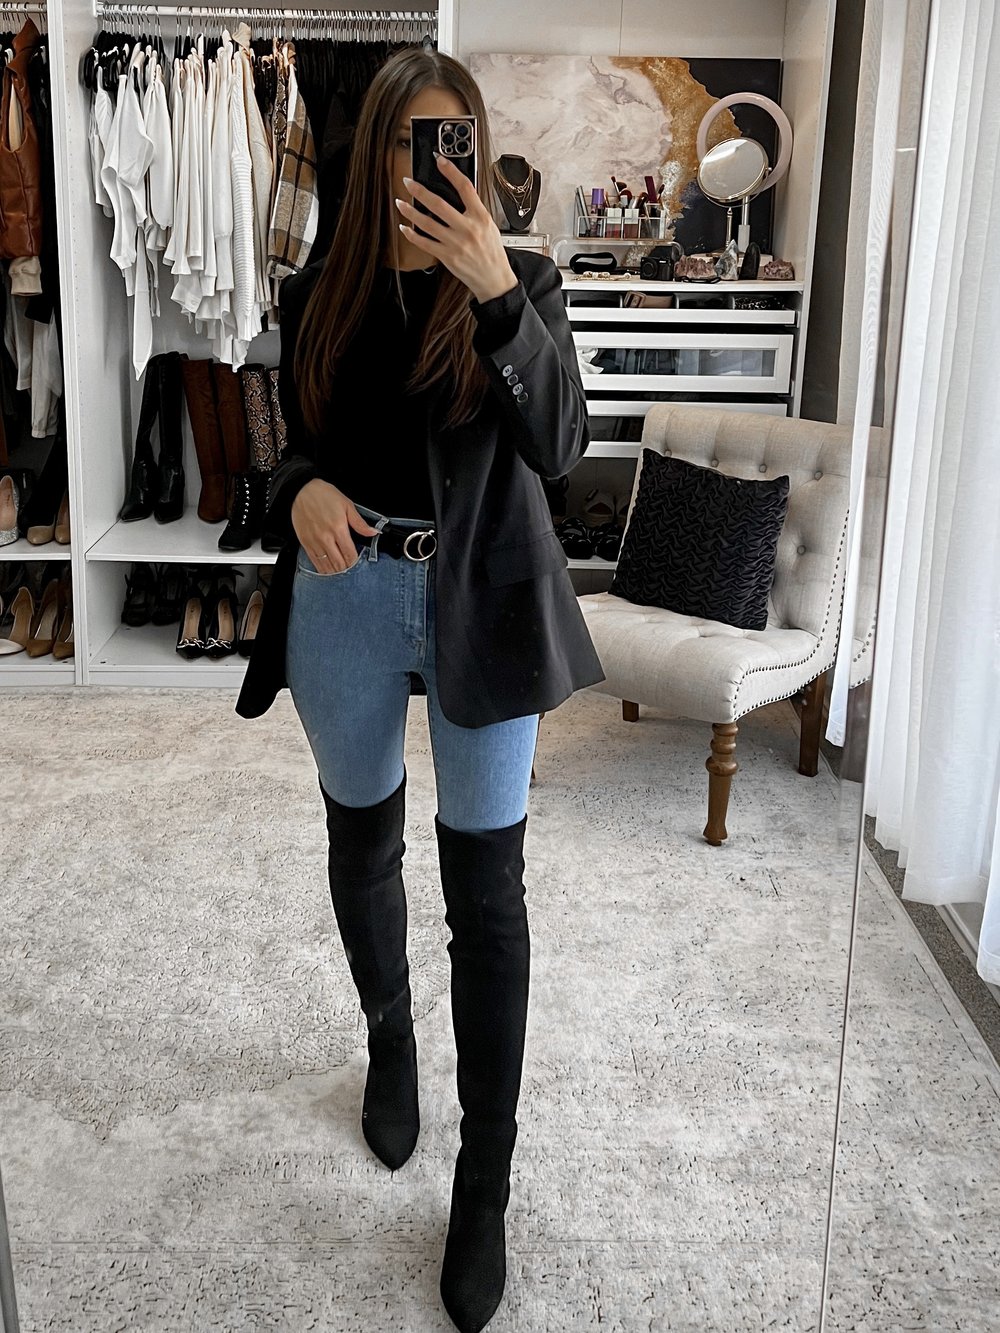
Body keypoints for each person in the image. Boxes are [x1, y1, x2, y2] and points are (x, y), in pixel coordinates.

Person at [235, 45, 605, 1333]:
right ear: (368, 155)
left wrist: (496, 292)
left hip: (482, 596)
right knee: (362, 839)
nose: (422, 168)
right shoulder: (318, 289)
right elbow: (280, 440)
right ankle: (390, 1036)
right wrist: (298, 490)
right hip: (346, 595)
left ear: (476, 155)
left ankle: (483, 1178)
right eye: (401, 142)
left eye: (448, 144)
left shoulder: (524, 283)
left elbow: (560, 445)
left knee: (487, 894)